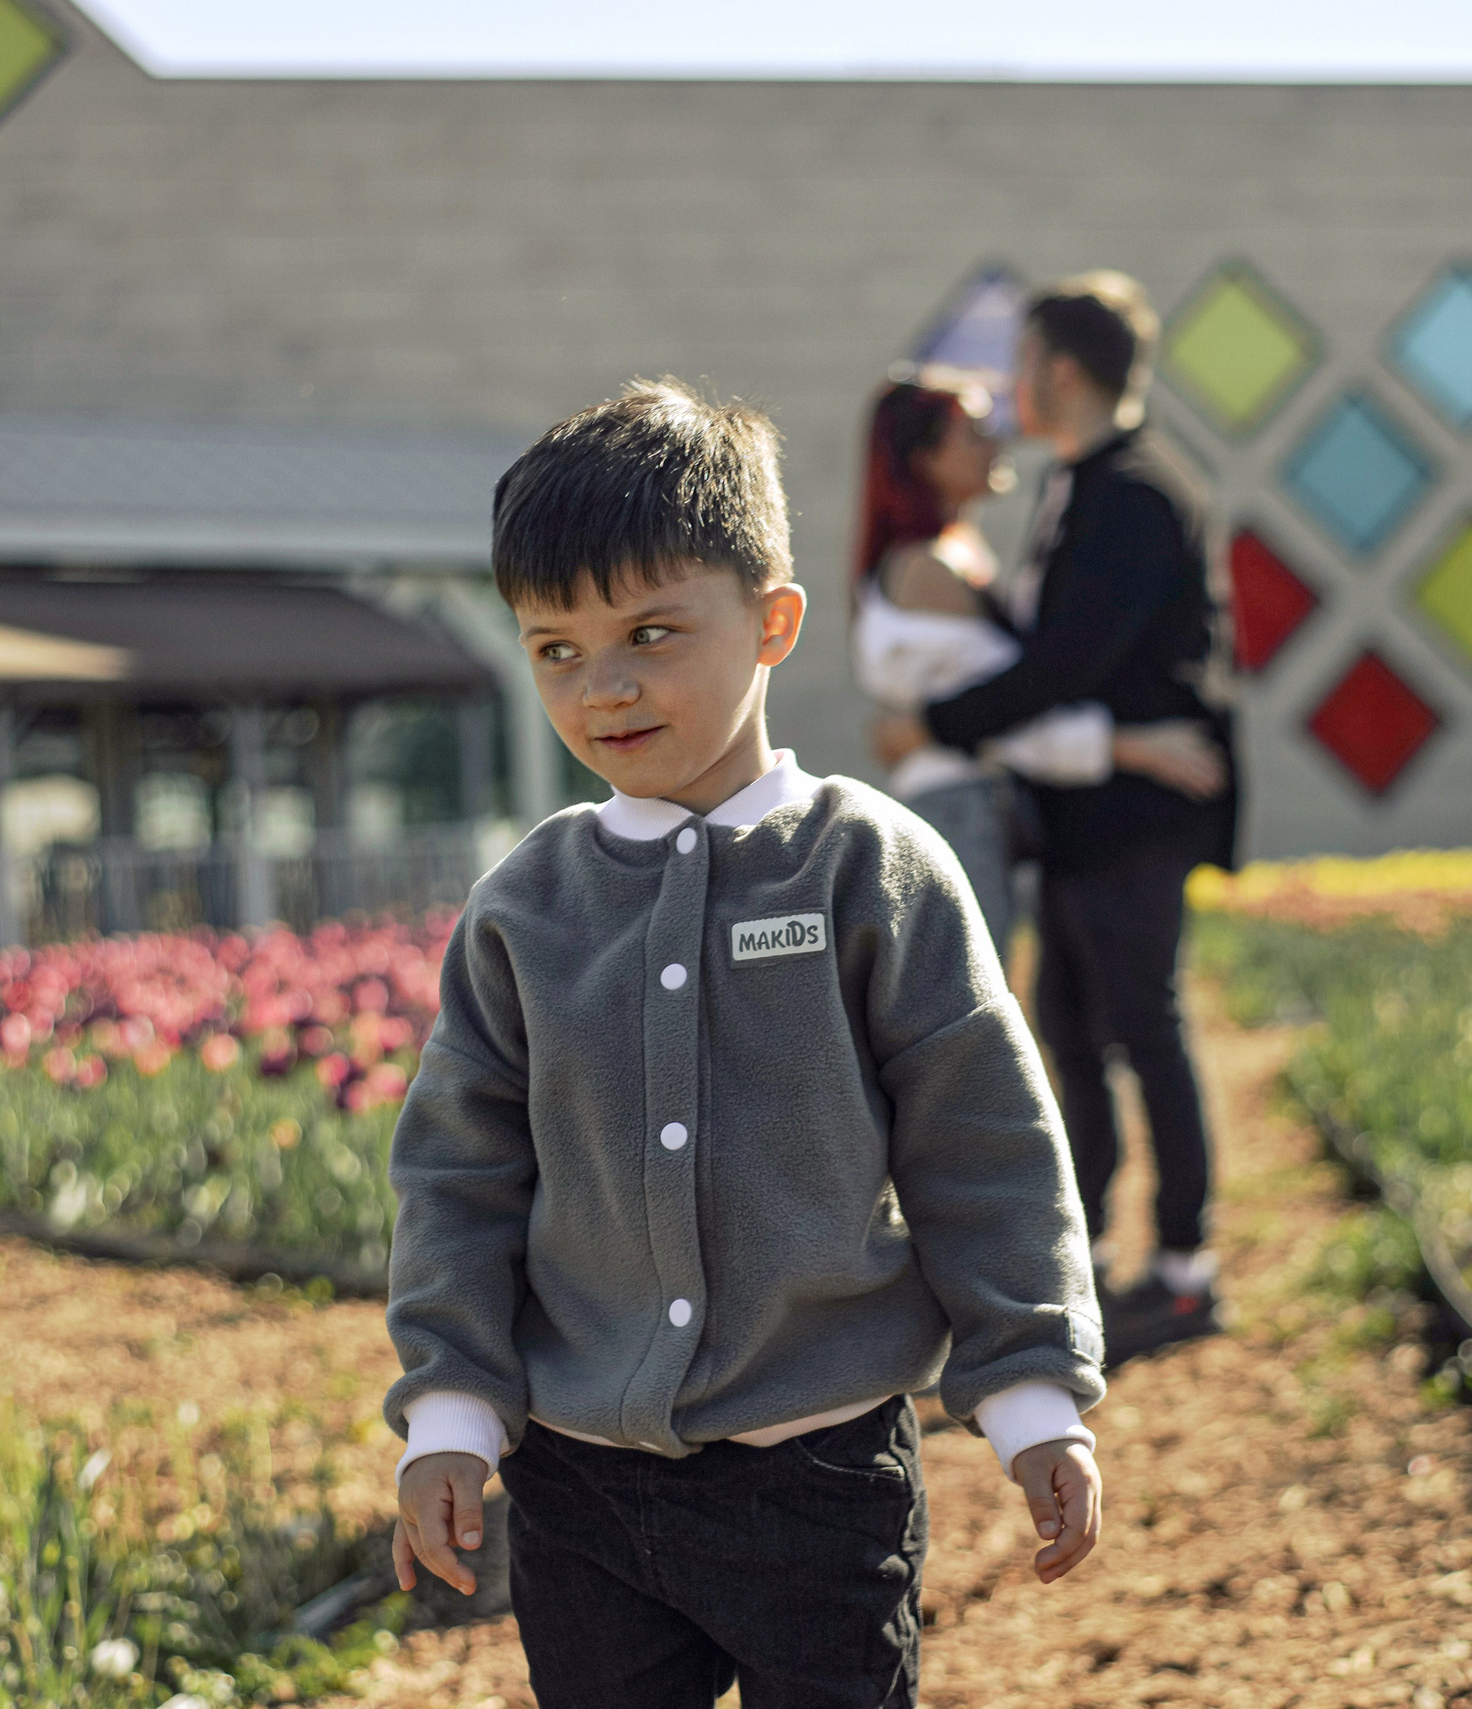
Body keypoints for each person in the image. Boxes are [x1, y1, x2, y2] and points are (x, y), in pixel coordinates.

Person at [385, 379, 1107, 1709]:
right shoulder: (523, 910)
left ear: (773, 619)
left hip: (817, 1481)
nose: (603, 686)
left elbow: (983, 1146)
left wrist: (1030, 1394)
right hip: (580, 1483)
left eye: (650, 633)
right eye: (554, 648)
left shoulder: (870, 869)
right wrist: (449, 1412)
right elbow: (458, 1177)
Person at [879, 273, 1236, 1363]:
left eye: (1020, 360)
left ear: (1062, 373)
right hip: (1088, 820)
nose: (1007, 382)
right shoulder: (1080, 486)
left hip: (1133, 820)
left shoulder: (1131, 492)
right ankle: (1086, 1265)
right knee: (1077, 1041)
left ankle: (1183, 1272)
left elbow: (1057, 667)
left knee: (1144, 1027)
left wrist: (929, 718)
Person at [851, 370, 1229, 958]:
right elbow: (1005, 715)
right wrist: (1139, 748)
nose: (997, 443)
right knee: (974, 1009)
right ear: (925, 459)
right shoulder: (928, 570)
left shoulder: (956, 554)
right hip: (961, 808)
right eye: (975, 433)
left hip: (983, 807)